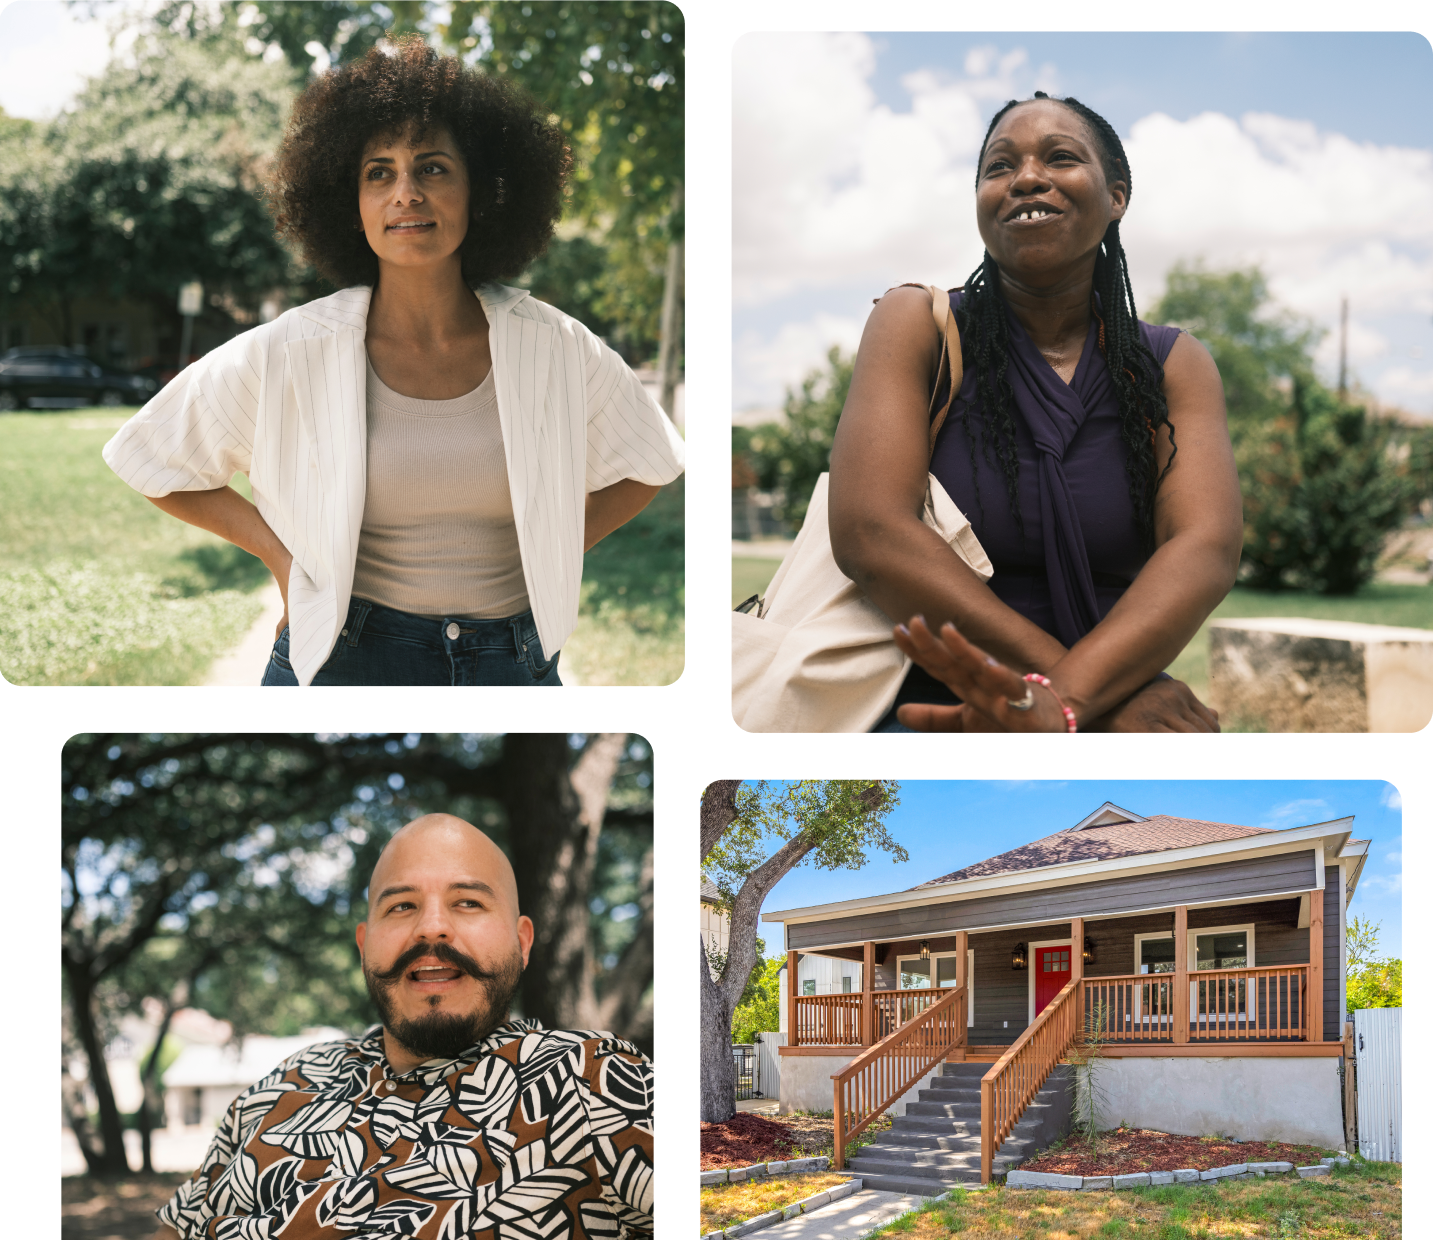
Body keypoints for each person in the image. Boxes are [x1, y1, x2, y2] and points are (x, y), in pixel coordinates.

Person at [103, 34, 684, 687]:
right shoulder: (291, 350)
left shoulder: (555, 346)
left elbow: (650, 461)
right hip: (342, 660)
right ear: (349, 204)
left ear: (482, 191)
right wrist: (281, 560)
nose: (405, 192)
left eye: (432, 167)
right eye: (379, 172)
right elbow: (151, 459)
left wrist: (551, 551)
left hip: (514, 665)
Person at [828, 92, 1241, 731]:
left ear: (1116, 198)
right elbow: (871, 533)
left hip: (1108, 686)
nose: (1025, 178)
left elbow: (1204, 547)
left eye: (1061, 157)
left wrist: (1070, 699)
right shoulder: (917, 326)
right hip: (930, 692)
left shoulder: (1171, 364)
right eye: (998, 168)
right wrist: (1070, 700)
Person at [152, 813, 654, 1240]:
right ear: (365, 945)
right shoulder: (281, 1086)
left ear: (522, 943)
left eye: (468, 902)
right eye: (402, 906)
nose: (431, 926)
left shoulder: (598, 1082)